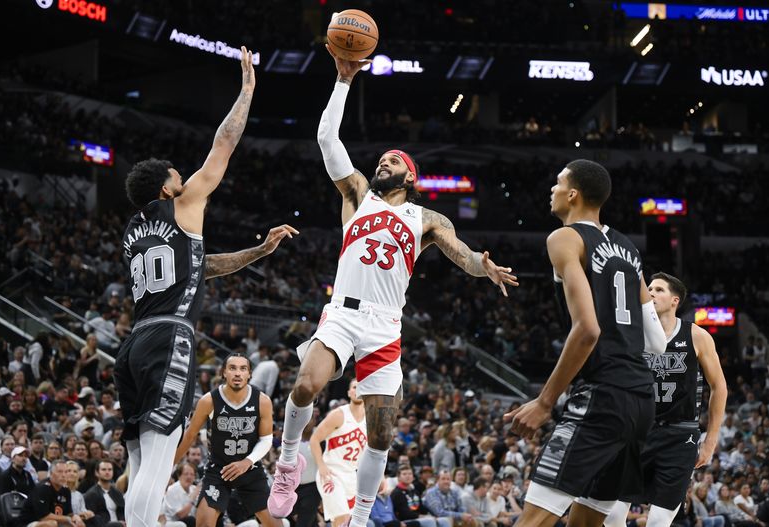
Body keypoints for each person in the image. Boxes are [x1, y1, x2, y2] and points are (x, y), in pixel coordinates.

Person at [267, 43, 517, 526]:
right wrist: (343, 80)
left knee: (381, 435)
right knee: (305, 385)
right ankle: (286, 462)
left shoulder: (425, 217)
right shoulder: (358, 193)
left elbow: (461, 253)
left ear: (411, 175)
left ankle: (360, 519)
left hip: (385, 325)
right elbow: (325, 138)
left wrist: (482, 267)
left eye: (392, 161)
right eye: (380, 159)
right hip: (342, 309)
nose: (382, 163)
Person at [113, 47, 297, 527]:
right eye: (178, 174)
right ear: (169, 189)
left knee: (138, 460)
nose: (186, 175)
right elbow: (223, 145)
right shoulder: (184, 202)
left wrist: (258, 252)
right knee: (159, 455)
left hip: (134, 343)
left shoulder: (136, 232)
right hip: (169, 337)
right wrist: (248, 89)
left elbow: (201, 266)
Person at [504, 159, 666, 527]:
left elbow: (588, 330)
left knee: (533, 520)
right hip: (640, 402)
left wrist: (545, 402)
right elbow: (656, 341)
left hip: (602, 398)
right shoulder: (629, 248)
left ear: (573, 194)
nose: (553, 189)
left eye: (558, 183)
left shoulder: (564, 238)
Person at [603, 272, 728, 527]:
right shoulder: (632, 333)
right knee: (612, 514)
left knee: (659, 521)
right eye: (648, 288)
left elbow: (719, 387)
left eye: (658, 289)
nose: (650, 292)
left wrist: (710, 441)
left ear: (675, 300)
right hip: (636, 432)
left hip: (679, 436)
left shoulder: (697, 336)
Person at [173, 353, 280, 527]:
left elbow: (266, 440)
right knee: (204, 524)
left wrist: (246, 461)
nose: (237, 373)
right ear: (223, 373)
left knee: (276, 524)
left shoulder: (262, 401)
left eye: (242, 368)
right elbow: (190, 434)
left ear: (249, 374)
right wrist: (170, 466)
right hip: (219, 471)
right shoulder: (208, 400)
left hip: (250, 470)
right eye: (232, 368)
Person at [310, 379, 367, 527]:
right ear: (349, 392)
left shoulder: (370, 422)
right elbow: (314, 439)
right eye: (354, 387)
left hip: (351, 476)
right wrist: (321, 465)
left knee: (348, 523)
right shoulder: (339, 414)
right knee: (342, 518)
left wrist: (380, 477)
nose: (358, 390)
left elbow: (371, 455)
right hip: (331, 473)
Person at [20, 459, 85, 527]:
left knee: (79, 524)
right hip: (29, 522)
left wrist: (75, 517)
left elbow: (68, 513)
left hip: (55, 522)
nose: (63, 475)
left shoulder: (66, 490)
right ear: (51, 473)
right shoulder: (42, 488)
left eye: (66, 472)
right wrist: (68, 519)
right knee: (51, 524)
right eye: (60, 472)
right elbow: (44, 517)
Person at [83, 460, 125, 527]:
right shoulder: (91, 495)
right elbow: (91, 520)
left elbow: (122, 511)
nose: (107, 472)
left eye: (110, 469)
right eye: (104, 469)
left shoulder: (117, 492)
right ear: (97, 473)